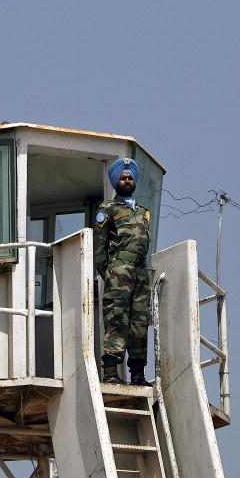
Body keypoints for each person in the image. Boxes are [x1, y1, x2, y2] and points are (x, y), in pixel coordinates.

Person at [94, 157, 152, 385]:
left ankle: (138, 374)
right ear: (115, 181)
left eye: (130, 178)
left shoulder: (143, 212)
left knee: (139, 323)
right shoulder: (107, 209)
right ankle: (110, 372)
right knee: (117, 319)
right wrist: (108, 272)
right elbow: (99, 247)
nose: (127, 181)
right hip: (118, 271)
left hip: (140, 271)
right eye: (123, 177)